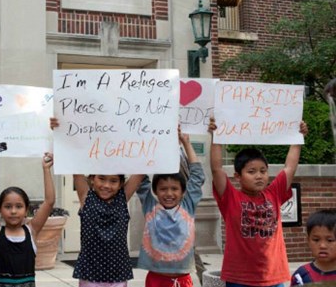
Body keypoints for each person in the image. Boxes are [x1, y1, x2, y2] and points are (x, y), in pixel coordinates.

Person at [208, 118, 308, 287]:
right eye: (251, 171)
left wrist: (297, 138)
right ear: (238, 176)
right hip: (239, 278)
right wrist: (216, 136)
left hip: (273, 276)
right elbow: (216, 169)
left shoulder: (274, 193)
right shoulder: (230, 197)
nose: (259, 175)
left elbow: (290, 167)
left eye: (263, 171)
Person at [50, 117, 144, 287]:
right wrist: (60, 131)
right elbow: (73, 163)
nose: (107, 185)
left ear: (121, 183)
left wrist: (168, 137)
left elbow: (143, 167)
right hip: (90, 274)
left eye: (113, 181)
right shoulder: (86, 197)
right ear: (92, 179)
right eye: (102, 178)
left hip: (117, 273)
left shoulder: (123, 197)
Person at [136, 126, 206, 287]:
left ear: (183, 192)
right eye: (163, 189)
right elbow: (140, 177)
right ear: (155, 190)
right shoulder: (150, 207)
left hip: (181, 280)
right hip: (156, 279)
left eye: (174, 189)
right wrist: (155, 141)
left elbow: (197, 176)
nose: (169, 193)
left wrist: (186, 142)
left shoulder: (187, 206)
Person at [0, 150, 55, 287]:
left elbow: (49, 201)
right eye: (7, 206)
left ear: (26, 210)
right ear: (0, 210)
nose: (13, 211)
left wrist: (46, 169)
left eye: (19, 206)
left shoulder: (32, 230)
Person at [291, 209, 336, 286]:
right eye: (316, 240)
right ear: (308, 240)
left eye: (330, 240)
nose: (322, 246)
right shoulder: (300, 277)